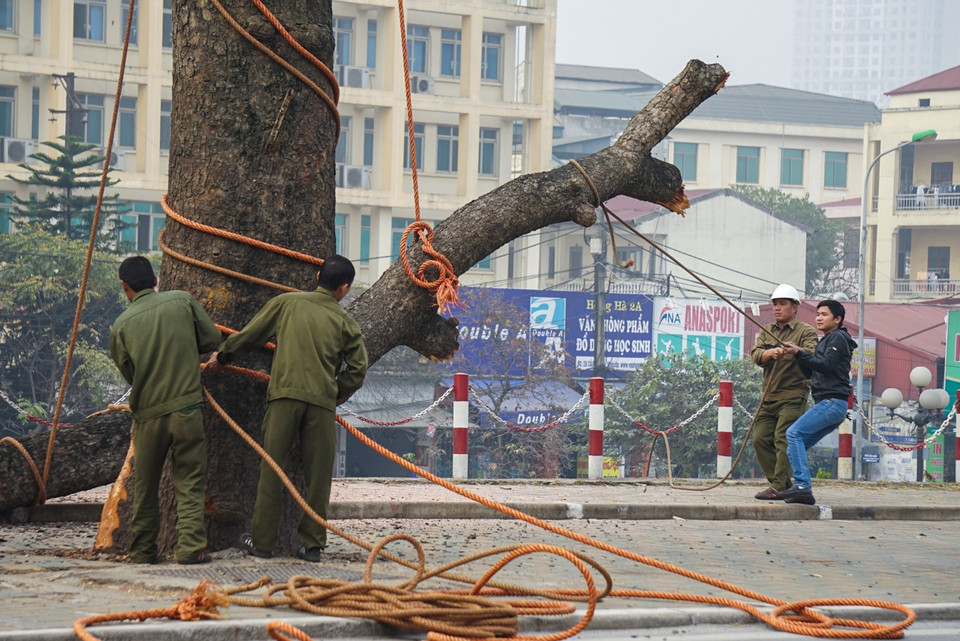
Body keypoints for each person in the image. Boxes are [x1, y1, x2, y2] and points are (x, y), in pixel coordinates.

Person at [207, 255, 368, 562]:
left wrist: (223, 356)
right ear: (344, 289)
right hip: (321, 404)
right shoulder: (345, 322)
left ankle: (262, 542)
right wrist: (334, 392)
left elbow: (250, 336)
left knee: (272, 469)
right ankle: (312, 545)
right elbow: (358, 370)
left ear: (318, 276)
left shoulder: (286, 304)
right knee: (318, 477)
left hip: (283, 398)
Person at [109, 256, 222, 565]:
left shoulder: (121, 326)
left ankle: (143, 551)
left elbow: (130, 374)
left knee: (145, 486)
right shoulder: (182, 301)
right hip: (186, 409)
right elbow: (212, 338)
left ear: (125, 286)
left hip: (148, 416)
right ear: (155, 280)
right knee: (189, 481)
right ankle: (190, 549)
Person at [779, 300, 857, 506]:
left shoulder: (838, 337)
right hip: (830, 404)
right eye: (818, 314)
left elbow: (826, 365)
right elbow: (811, 371)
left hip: (832, 402)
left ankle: (803, 485)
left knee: (793, 433)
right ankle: (802, 492)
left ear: (837, 319)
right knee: (796, 446)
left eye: (824, 314)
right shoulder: (825, 341)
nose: (819, 318)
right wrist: (798, 354)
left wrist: (800, 352)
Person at [749, 284, 818, 501]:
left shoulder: (805, 331)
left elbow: (813, 355)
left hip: (793, 395)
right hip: (769, 395)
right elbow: (756, 355)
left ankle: (778, 486)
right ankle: (783, 484)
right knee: (759, 439)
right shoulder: (767, 331)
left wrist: (796, 351)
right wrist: (770, 353)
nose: (777, 308)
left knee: (782, 439)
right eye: (775, 304)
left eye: (782, 304)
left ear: (794, 307)